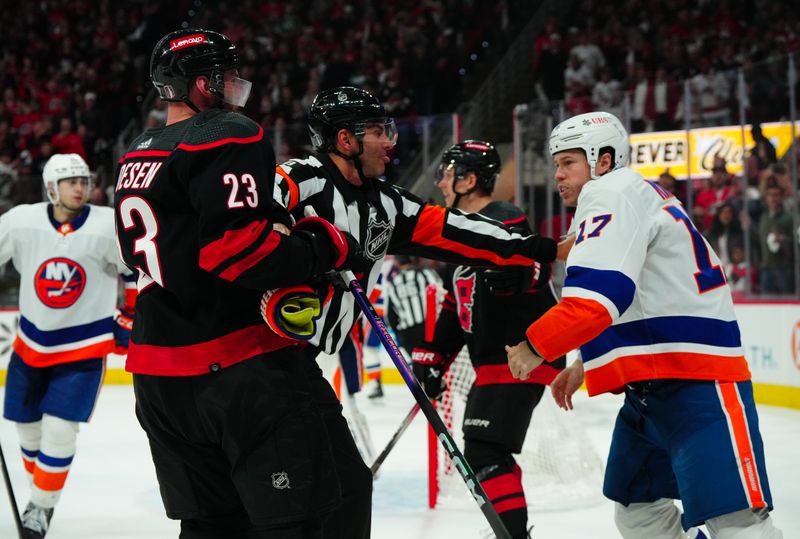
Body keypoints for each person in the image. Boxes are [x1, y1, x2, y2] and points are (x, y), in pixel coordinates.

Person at [271, 86, 571, 535]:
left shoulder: (385, 202)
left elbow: (460, 231)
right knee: (288, 496)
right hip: (254, 363)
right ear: (345, 140)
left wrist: (545, 249)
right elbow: (247, 216)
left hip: (299, 365)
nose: (391, 140)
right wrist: (286, 247)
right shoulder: (299, 176)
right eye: (377, 131)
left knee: (348, 487)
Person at [114, 29, 375, 539]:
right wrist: (321, 247)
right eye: (227, 76)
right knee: (315, 511)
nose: (236, 85)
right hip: (237, 369)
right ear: (202, 83)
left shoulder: (135, 153)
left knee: (211, 524)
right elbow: (236, 251)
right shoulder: (229, 132)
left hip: (158, 377)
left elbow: (143, 255)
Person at [506, 111, 783, 539]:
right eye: (556, 163)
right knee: (637, 508)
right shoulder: (629, 193)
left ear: (602, 161)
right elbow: (638, 293)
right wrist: (584, 362)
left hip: (698, 383)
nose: (557, 174)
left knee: (736, 521)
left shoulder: (611, 192)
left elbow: (600, 298)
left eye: (568, 162)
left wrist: (534, 344)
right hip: (653, 385)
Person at [411, 141, 565, 538]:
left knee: (483, 447)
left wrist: (517, 275)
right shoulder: (455, 230)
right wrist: (432, 357)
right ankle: (511, 529)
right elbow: (453, 302)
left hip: (521, 353)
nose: (441, 181)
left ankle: (512, 533)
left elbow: (533, 266)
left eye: (449, 173)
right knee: (486, 448)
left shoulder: (504, 218)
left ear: (471, 179)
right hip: (496, 357)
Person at [0, 152, 135, 538]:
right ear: (50, 187)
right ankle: (42, 491)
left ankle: (41, 508)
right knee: (27, 434)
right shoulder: (21, 221)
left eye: (84, 180)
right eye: (71, 181)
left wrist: (130, 314)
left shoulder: (107, 225)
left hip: (84, 348)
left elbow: (135, 269)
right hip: (30, 345)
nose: (80, 187)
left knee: (60, 431)